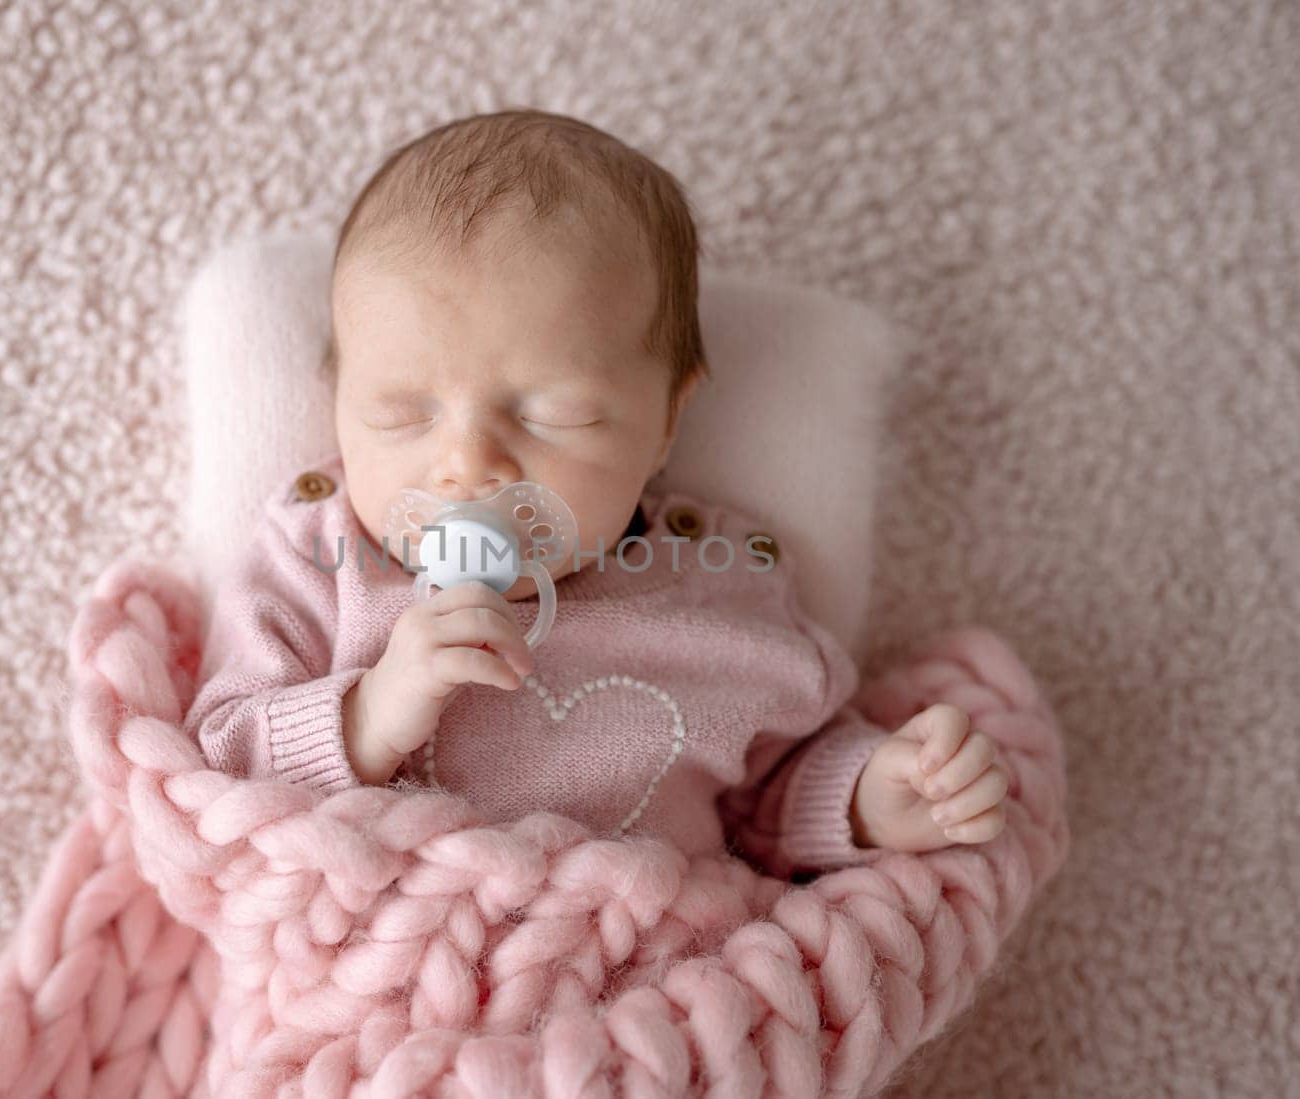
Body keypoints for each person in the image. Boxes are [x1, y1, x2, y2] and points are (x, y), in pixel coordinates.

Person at [183, 108, 1008, 877]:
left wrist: (869, 798)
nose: (467, 466)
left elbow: (766, 798)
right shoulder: (320, 566)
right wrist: (368, 715)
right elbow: (216, 769)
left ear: (664, 423)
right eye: (400, 415)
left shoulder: (719, 587)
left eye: (552, 415)